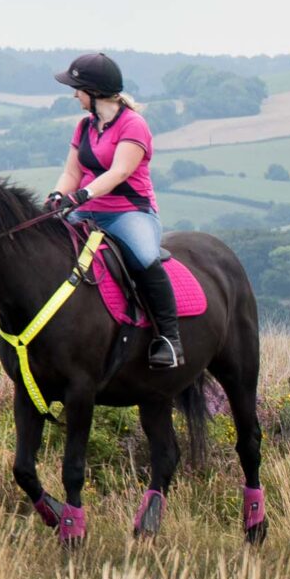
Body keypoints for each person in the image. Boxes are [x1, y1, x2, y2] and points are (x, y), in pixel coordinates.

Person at [46, 51, 182, 369]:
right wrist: (56, 196)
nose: (74, 94)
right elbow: (71, 172)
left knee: (146, 259)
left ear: (93, 92)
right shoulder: (84, 127)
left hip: (128, 213)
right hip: (87, 210)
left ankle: (170, 339)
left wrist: (80, 196)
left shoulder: (133, 125)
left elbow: (119, 172)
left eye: (77, 88)